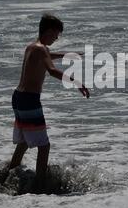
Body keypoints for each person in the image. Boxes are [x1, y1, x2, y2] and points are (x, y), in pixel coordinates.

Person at [8, 13, 89, 192]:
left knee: (23, 142)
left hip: (18, 98)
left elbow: (46, 56)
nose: (57, 38)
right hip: (30, 100)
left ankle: (8, 174)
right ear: (49, 31)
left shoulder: (32, 47)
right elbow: (51, 70)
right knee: (44, 146)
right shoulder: (41, 49)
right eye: (56, 34)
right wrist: (76, 82)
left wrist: (67, 54)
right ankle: (40, 184)